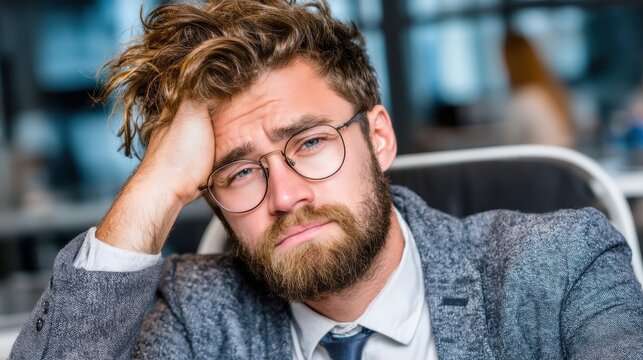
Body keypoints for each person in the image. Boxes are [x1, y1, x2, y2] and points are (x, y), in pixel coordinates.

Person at [10, 1, 643, 359]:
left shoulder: (559, 265)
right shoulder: (192, 315)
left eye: (310, 144)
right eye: (238, 173)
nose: (285, 197)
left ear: (379, 136)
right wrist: (157, 187)